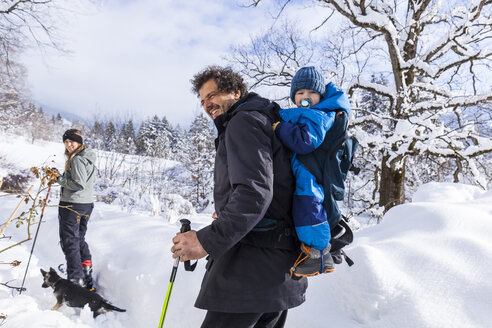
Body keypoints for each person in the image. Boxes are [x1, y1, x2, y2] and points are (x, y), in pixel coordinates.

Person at [171, 66, 307, 328]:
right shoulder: (264, 119)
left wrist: (206, 241)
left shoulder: (243, 121)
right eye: (202, 100)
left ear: (236, 92)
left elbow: (254, 193)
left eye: (213, 95)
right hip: (277, 268)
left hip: (250, 270)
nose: (207, 104)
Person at [273, 66, 351, 277]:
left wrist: (279, 128)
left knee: (308, 206)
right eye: (300, 93)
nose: (305, 97)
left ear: (320, 96)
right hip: (304, 170)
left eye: (311, 93)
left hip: (309, 174)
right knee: (304, 207)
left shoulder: (319, 116)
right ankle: (313, 251)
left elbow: (306, 142)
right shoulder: (311, 114)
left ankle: (317, 253)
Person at [56, 129, 96, 290]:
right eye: (66, 141)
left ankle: (75, 279)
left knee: (70, 242)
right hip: (85, 204)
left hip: (72, 205)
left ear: (79, 142)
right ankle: (85, 273)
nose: (69, 144)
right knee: (78, 239)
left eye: (72, 141)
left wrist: (59, 179)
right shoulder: (87, 157)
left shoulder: (77, 160)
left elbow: (79, 184)